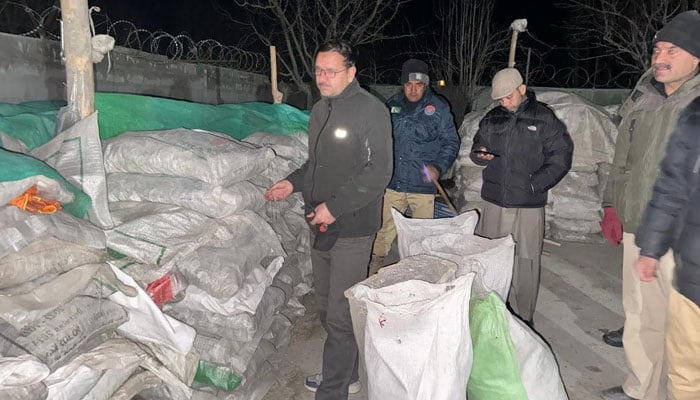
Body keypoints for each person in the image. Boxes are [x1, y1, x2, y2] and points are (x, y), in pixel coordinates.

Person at [264, 40, 392, 400]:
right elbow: (315, 166)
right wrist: (292, 182)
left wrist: (334, 207)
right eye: (319, 70)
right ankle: (347, 372)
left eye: (330, 71)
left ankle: (333, 391)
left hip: (352, 227)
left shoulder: (371, 111)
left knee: (339, 313)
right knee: (325, 306)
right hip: (318, 221)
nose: (322, 77)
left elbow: (378, 172)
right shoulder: (320, 110)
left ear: (351, 73)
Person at [598, 10, 700, 400]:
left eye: (673, 49)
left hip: (685, 236)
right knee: (642, 317)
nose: (661, 56)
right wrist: (611, 204)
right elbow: (622, 158)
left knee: (685, 330)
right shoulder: (643, 99)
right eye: (658, 48)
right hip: (639, 226)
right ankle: (641, 389)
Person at [469, 67, 573, 327]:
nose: (504, 102)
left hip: (527, 203)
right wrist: (479, 153)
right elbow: (477, 145)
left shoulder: (543, 118)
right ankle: (493, 309)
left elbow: (561, 157)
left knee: (526, 260)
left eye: (508, 96)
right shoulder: (493, 118)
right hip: (494, 200)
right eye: (500, 98)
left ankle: (524, 316)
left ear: (522, 89)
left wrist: (535, 184)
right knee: (492, 257)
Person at [633, 96, 700, 400]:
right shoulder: (695, 116)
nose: (660, 57)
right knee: (685, 375)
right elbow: (672, 186)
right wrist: (650, 248)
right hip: (692, 280)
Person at [369, 58, 460, 274]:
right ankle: (375, 265)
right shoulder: (391, 106)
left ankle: (417, 270)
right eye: (408, 84)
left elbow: (451, 141)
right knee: (384, 229)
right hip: (394, 182)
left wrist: (438, 167)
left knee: (421, 233)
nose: (413, 89)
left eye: (418, 85)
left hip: (423, 184)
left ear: (425, 85)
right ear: (402, 84)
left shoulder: (438, 108)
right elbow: (379, 140)